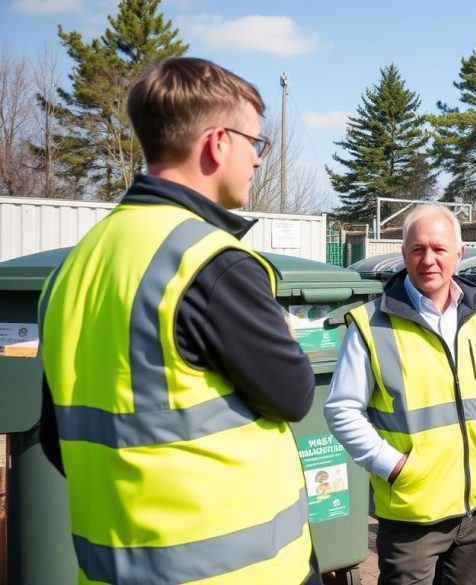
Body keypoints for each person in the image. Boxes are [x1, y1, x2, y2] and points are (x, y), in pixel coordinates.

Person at [37, 58, 320, 584]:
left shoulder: (72, 268)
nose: (258, 163)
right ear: (217, 143)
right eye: (256, 145)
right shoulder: (213, 263)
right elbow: (295, 396)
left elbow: (59, 439)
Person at [324, 203, 476, 584]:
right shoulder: (371, 324)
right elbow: (341, 409)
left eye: (439, 249)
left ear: (460, 253)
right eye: (417, 249)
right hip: (412, 511)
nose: (428, 259)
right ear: (403, 254)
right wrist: (394, 467)